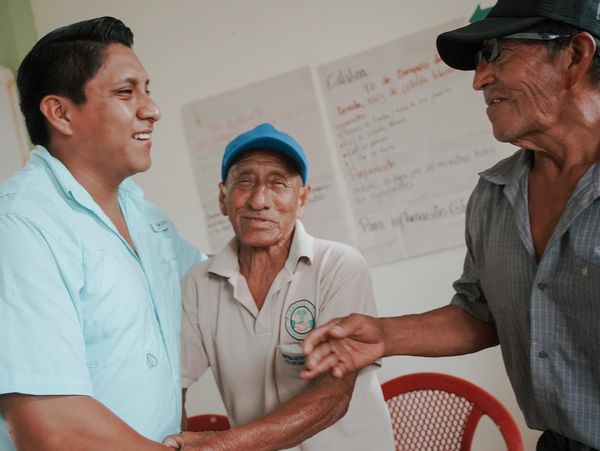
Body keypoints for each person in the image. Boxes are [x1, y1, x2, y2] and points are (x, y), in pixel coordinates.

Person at [301, 0, 600, 450]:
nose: (479, 79)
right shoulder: (494, 195)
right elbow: (481, 314)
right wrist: (383, 335)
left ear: (575, 55)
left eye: (496, 53)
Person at [0, 17, 205, 450]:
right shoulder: (20, 226)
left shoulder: (146, 216)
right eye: (126, 92)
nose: (152, 109)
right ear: (60, 114)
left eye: (147, 89)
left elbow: (216, 287)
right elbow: (51, 427)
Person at [163, 123, 394, 450]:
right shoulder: (199, 284)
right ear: (223, 197)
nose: (259, 201)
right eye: (244, 181)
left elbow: (334, 394)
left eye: (278, 183)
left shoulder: (339, 265)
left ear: (302, 199)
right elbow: (172, 388)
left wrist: (225, 445)